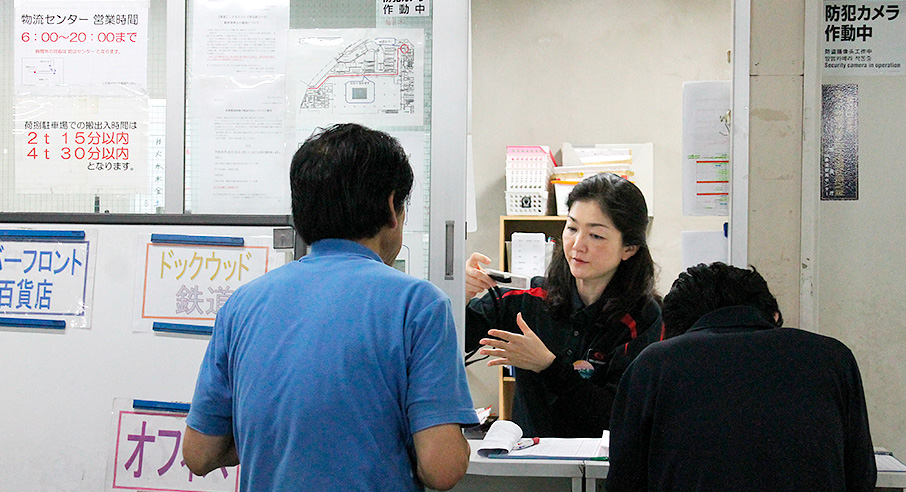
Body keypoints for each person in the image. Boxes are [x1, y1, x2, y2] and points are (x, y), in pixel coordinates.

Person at [182, 123, 479, 491]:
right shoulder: (418, 305)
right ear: (391, 207)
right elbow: (443, 468)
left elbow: (199, 454)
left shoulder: (242, 306)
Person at [606, 262, 876, 492]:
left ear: (675, 327)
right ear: (772, 315)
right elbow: (861, 477)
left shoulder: (655, 365)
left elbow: (624, 481)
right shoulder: (832, 358)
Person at [465, 173, 662, 438]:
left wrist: (548, 366)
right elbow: (453, 340)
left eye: (596, 235)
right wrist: (460, 295)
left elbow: (619, 415)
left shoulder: (643, 319)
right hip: (530, 463)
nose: (577, 245)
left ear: (629, 248)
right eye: (572, 228)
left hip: (599, 468)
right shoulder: (529, 295)